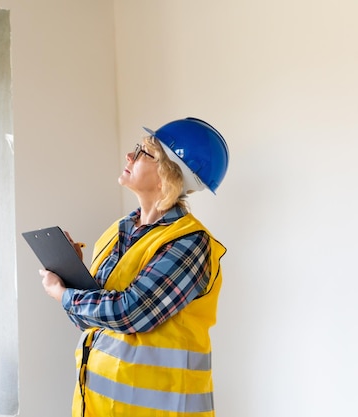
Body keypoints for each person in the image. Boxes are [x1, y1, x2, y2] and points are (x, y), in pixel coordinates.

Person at [40, 117, 229, 417]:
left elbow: (131, 313)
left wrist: (63, 294)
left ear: (169, 175)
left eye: (143, 152)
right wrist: (72, 278)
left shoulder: (190, 243)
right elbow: (88, 320)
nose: (130, 156)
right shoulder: (117, 232)